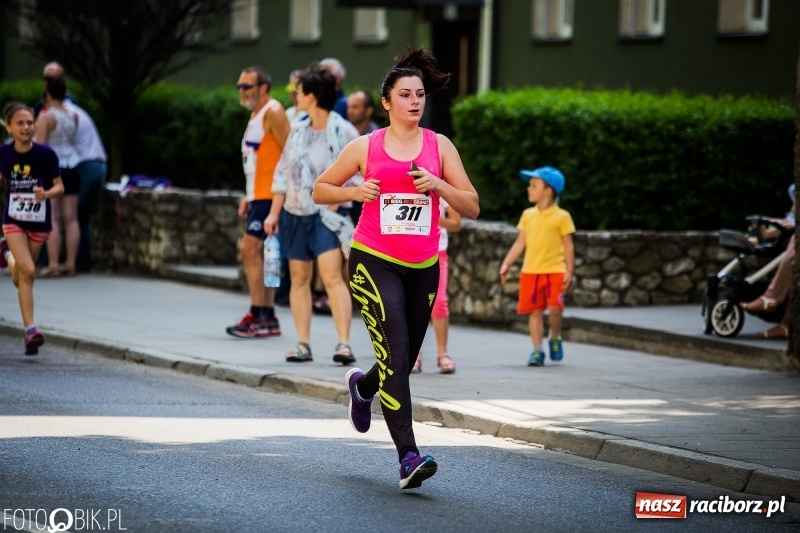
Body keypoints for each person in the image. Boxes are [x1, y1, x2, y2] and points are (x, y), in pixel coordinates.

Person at [312, 48, 480, 490]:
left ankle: (363, 389)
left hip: (424, 268)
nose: (414, 101)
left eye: (420, 94)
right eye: (405, 94)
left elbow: (473, 206)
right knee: (398, 354)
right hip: (373, 260)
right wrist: (356, 192)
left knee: (398, 363)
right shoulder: (365, 146)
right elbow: (319, 189)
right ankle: (408, 456)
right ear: (387, 102)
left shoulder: (439, 146)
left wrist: (440, 184)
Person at [264, 64, 359, 365]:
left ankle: (344, 344)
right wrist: (273, 213)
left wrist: (334, 203)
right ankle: (303, 344)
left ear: (313, 95)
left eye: (300, 91)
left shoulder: (343, 130)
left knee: (332, 277)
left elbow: (358, 174)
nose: (295, 95)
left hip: (327, 216)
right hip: (295, 213)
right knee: (299, 278)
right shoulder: (299, 131)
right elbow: (283, 174)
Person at [226, 66, 290, 338]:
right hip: (258, 196)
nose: (242, 91)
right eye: (240, 86)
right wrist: (248, 196)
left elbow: (290, 153)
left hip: (271, 196)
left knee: (249, 251)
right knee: (265, 255)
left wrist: (280, 197)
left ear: (263, 87)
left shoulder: (273, 112)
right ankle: (267, 316)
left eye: (247, 86)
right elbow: (256, 163)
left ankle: (258, 314)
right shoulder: (256, 115)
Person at [0, 102, 65, 354]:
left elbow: (60, 188)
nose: (26, 127)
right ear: (9, 128)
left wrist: (45, 193)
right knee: (29, 269)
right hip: (13, 221)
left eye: (29, 122)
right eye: (20, 123)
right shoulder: (4, 154)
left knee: (23, 275)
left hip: (38, 222)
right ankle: (30, 330)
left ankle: (6, 255)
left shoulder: (46, 154)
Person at [499, 166, 575, 366]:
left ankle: (555, 336)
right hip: (531, 272)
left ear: (548, 191)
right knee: (534, 312)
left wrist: (570, 270)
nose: (529, 189)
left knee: (555, 309)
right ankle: (537, 351)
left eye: (534, 185)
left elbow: (568, 245)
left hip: (555, 271)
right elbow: (519, 242)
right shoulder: (527, 215)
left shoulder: (562, 217)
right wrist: (506, 263)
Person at [34, 76, 80, 277]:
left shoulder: (46, 117)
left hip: (53, 169)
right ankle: (70, 263)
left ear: (48, 94)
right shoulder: (73, 115)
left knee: (52, 217)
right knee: (71, 218)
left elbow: (41, 147)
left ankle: (53, 263)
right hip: (72, 166)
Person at [412, 199, 460, 374]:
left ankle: (442, 353)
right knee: (412, 305)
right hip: (407, 251)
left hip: (436, 252)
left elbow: (456, 223)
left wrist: (431, 218)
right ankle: (413, 354)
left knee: (439, 302)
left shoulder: (441, 187)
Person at [65, 98, 107, 273]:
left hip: (84, 165)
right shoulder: (79, 111)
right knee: (82, 216)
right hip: (100, 164)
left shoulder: (63, 114)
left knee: (70, 215)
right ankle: (83, 261)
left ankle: (60, 261)